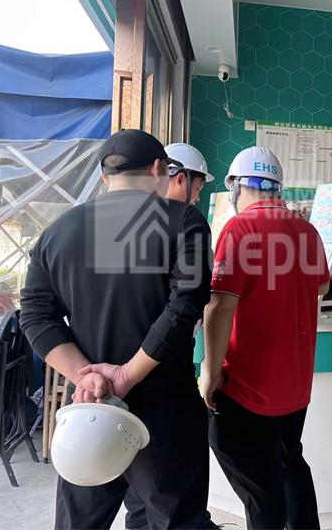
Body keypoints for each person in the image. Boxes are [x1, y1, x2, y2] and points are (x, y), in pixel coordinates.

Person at [20, 129, 214, 529]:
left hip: (88, 408)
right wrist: (125, 375)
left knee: (80, 522)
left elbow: (35, 315)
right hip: (165, 410)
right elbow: (185, 307)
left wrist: (85, 376)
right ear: (159, 169)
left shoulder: (58, 232)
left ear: (104, 175)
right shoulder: (184, 222)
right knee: (176, 520)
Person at [201, 146, 329, 529]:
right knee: (290, 460)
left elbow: (220, 307)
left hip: (247, 386)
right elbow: (321, 288)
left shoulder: (239, 229)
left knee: (259, 484)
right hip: (295, 386)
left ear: (237, 186)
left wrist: (210, 372)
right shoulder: (307, 231)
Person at [122, 141, 217, 530]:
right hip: (161, 381)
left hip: (119, 379)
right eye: (198, 186)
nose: (198, 195)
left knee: (140, 496)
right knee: (173, 498)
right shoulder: (187, 224)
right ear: (179, 178)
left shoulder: (126, 223)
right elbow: (185, 307)